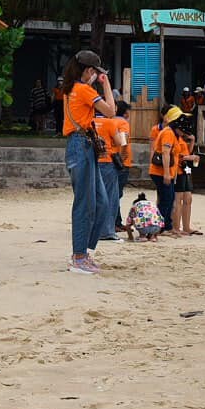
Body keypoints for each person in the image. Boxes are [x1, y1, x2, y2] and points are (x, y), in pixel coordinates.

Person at [62, 49, 118, 274]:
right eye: (94, 71)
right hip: (81, 146)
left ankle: (83, 252)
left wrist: (93, 81)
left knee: (101, 203)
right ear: (88, 70)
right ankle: (79, 256)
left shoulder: (72, 89)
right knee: (86, 204)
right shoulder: (84, 90)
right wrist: (106, 85)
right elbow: (111, 111)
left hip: (80, 146)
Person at [149, 105, 183, 234]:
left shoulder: (173, 133)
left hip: (167, 171)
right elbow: (165, 153)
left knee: (168, 198)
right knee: (166, 199)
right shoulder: (168, 133)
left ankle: (166, 225)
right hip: (161, 171)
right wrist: (167, 174)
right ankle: (162, 226)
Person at [93, 108, 124, 242]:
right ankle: (107, 231)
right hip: (107, 162)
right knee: (110, 197)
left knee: (94, 196)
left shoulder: (90, 121)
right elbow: (119, 142)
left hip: (92, 162)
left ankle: (93, 230)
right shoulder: (111, 123)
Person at [173, 131, 201, 237]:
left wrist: (192, 141)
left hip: (186, 170)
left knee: (188, 199)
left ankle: (186, 226)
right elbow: (177, 155)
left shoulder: (183, 140)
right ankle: (176, 227)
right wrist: (187, 157)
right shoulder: (175, 138)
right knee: (178, 199)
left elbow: (187, 152)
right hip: (178, 171)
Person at [111, 100, 133, 230]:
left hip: (112, 159)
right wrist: (123, 156)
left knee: (114, 192)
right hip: (121, 162)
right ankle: (115, 222)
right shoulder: (123, 123)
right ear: (125, 113)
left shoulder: (111, 121)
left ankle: (116, 221)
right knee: (117, 193)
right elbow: (124, 140)